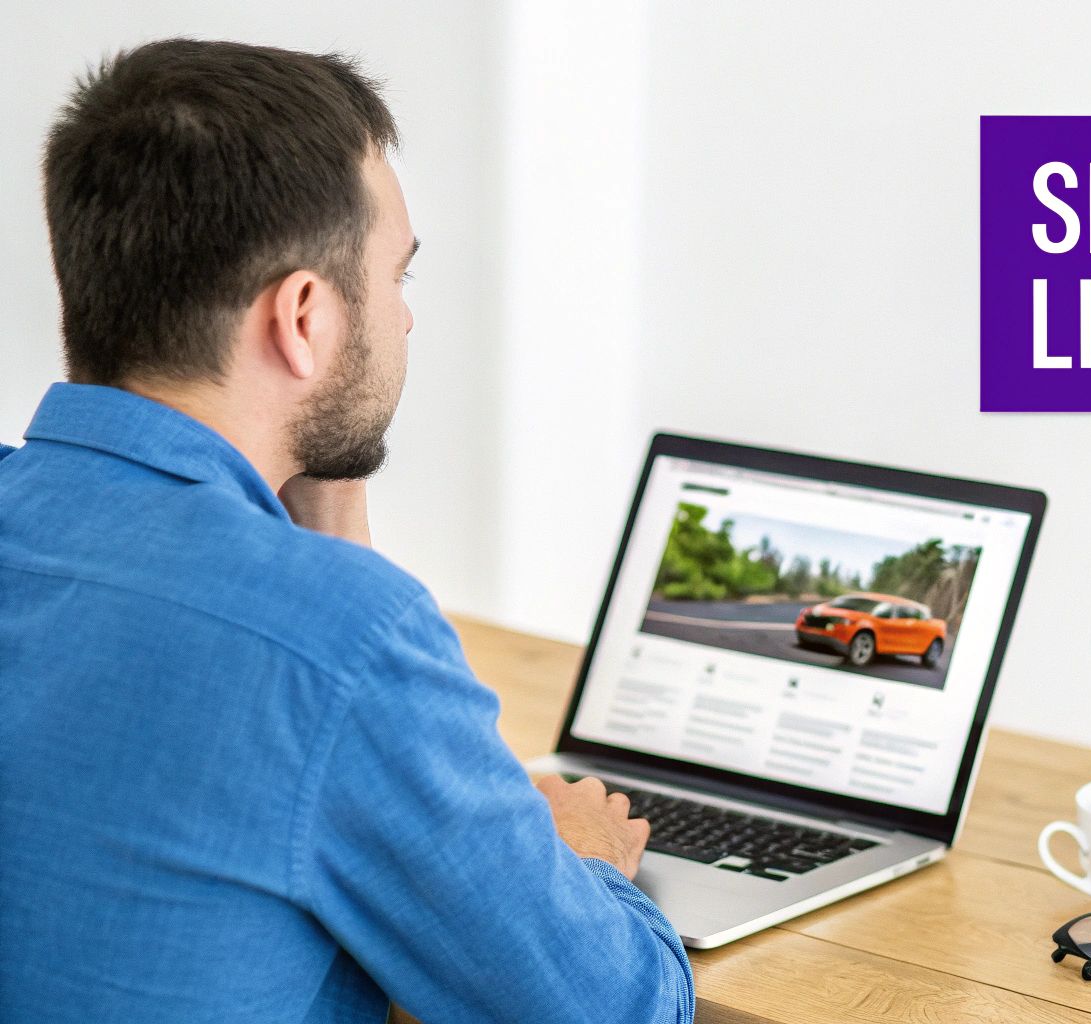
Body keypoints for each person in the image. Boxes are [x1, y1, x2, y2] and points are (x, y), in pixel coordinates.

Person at [0, 38, 694, 1024]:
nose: (404, 322)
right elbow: (613, 1008)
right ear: (303, 317)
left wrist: (324, 511)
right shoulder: (339, 641)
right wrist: (581, 864)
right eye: (396, 277)